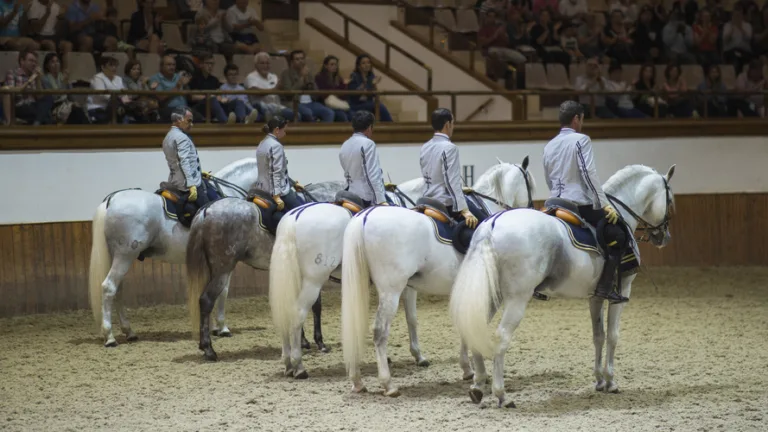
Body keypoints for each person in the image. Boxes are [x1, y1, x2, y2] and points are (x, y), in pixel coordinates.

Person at [542, 100, 628, 304]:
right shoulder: (582, 140)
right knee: (619, 233)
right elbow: (588, 174)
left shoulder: (549, 145)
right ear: (576, 119)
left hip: (554, 201)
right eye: (582, 119)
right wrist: (604, 203)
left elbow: (548, 178)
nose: (582, 123)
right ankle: (606, 287)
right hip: (578, 204)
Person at [419, 108, 478, 229]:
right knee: (480, 222)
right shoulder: (450, 148)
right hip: (444, 203)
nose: (453, 126)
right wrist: (464, 210)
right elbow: (451, 181)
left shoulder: (425, 146)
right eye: (453, 123)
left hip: (426, 200)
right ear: (447, 124)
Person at [161, 106, 220, 222]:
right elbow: (184, 161)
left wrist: (198, 171)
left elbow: (176, 161)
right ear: (179, 120)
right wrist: (191, 184)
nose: (192, 124)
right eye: (189, 121)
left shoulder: (168, 136)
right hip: (186, 183)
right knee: (210, 214)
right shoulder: (182, 137)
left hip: (174, 179)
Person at [255, 115, 304, 212]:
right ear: (277, 130)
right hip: (277, 191)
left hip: (261, 188)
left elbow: (276, 171)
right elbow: (275, 173)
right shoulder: (276, 146)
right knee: (302, 210)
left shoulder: (262, 143)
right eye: (284, 130)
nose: (285, 134)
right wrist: (276, 196)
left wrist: (293, 184)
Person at [339, 111, 387, 208]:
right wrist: (381, 200)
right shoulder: (368, 144)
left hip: (348, 192)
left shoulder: (345, 144)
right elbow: (372, 174)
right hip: (364, 196)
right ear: (369, 127)